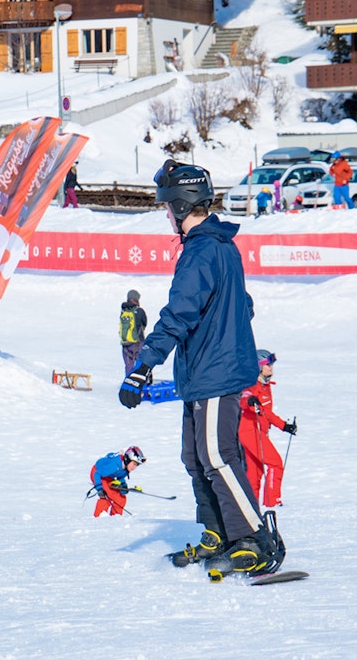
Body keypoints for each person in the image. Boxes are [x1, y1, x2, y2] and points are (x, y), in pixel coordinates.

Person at [118, 160, 284, 579]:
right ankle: (219, 532)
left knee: (217, 454)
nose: (164, 215)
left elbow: (178, 315)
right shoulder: (220, 247)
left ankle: (253, 541)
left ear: (178, 205)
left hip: (215, 371)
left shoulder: (202, 250)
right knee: (195, 456)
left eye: (165, 207)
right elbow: (241, 305)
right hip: (205, 371)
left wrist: (143, 366)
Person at [238, 350, 297, 509]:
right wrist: (251, 401)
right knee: (276, 464)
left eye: (271, 364)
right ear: (257, 368)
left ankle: (251, 510)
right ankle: (273, 503)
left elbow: (267, 413)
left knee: (254, 475)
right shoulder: (252, 385)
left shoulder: (265, 387)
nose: (270, 368)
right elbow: (245, 398)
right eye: (267, 365)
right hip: (250, 431)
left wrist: (284, 426)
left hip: (257, 432)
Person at [90, 446, 145, 517]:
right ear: (128, 459)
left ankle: (116, 519)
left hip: (109, 476)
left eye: (136, 465)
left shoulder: (126, 467)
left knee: (120, 498)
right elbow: (97, 474)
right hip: (97, 473)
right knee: (106, 496)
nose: (134, 467)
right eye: (134, 464)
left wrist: (123, 487)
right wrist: (99, 488)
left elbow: (120, 476)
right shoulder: (114, 465)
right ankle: (98, 519)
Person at [119, 290, 148, 375]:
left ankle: (128, 382)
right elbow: (144, 323)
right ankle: (141, 383)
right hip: (138, 342)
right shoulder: (140, 311)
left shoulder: (124, 311)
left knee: (129, 365)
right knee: (141, 363)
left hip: (125, 343)